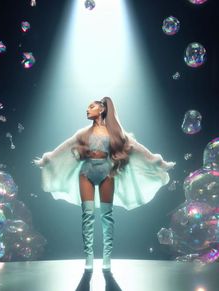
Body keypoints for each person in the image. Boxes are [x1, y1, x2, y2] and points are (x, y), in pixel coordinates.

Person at [32, 96, 175, 273]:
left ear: (101, 110)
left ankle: (107, 257)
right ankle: (89, 257)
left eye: (91, 107)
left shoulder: (115, 133)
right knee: (87, 216)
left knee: (107, 217)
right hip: (86, 173)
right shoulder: (83, 133)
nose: (87, 110)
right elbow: (64, 147)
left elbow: (137, 147)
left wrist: (157, 162)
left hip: (107, 172)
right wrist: (49, 159)